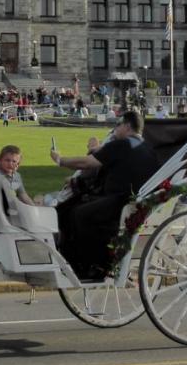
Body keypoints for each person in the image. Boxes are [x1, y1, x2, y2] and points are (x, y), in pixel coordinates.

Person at [50, 109, 158, 279]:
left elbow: (87, 163)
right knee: (77, 209)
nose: (116, 129)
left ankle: (90, 265)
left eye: (118, 125)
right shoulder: (149, 149)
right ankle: (80, 261)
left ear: (127, 126)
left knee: (77, 213)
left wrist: (60, 160)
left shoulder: (122, 144)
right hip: (133, 202)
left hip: (118, 200)